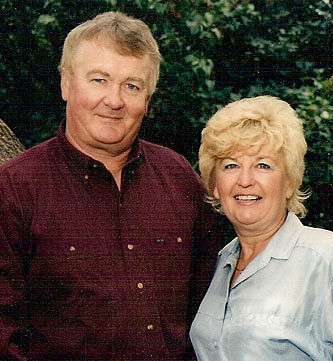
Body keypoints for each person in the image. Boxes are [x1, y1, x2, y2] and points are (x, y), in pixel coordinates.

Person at [0, 11, 226, 361]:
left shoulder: (180, 179)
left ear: (147, 99)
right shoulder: (15, 189)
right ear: (65, 84)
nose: (115, 100)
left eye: (132, 86)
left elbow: (212, 309)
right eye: (99, 80)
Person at [190, 95, 333, 360]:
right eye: (231, 165)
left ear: (290, 181)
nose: (245, 180)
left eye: (263, 165)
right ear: (214, 184)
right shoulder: (217, 264)